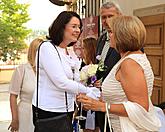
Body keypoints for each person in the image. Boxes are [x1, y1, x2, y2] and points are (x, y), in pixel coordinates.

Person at [77, 15, 161, 131]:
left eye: (111, 32)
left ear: (122, 35)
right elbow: (124, 96)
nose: (109, 35)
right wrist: (97, 101)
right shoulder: (131, 57)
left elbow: (140, 108)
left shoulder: (129, 63)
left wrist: (102, 106)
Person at [31, 11, 100, 131]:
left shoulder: (70, 51)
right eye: (74, 26)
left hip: (67, 109)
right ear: (61, 27)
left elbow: (75, 79)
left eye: (79, 27)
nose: (78, 30)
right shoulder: (47, 48)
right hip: (50, 111)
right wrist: (88, 91)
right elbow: (61, 82)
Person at [95, 2, 122, 132]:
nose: (106, 21)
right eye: (103, 17)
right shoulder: (100, 39)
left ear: (119, 16)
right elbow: (99, 65)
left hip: (119, 103)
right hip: (101, 100)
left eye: (110, 16)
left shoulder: (126, 38)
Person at [8, 38, 43, 132]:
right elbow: (13, 96)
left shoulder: (47, 71)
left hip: (44, 114)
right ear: (34, 51)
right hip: (25, 114)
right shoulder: (21, 70)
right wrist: (15, 119)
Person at [79, 37, 99, 132]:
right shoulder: (83, 65)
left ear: (89, 49)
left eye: (83, 48)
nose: (82, 51)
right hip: (87, 101)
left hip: (92, 101)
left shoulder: (98, 67)